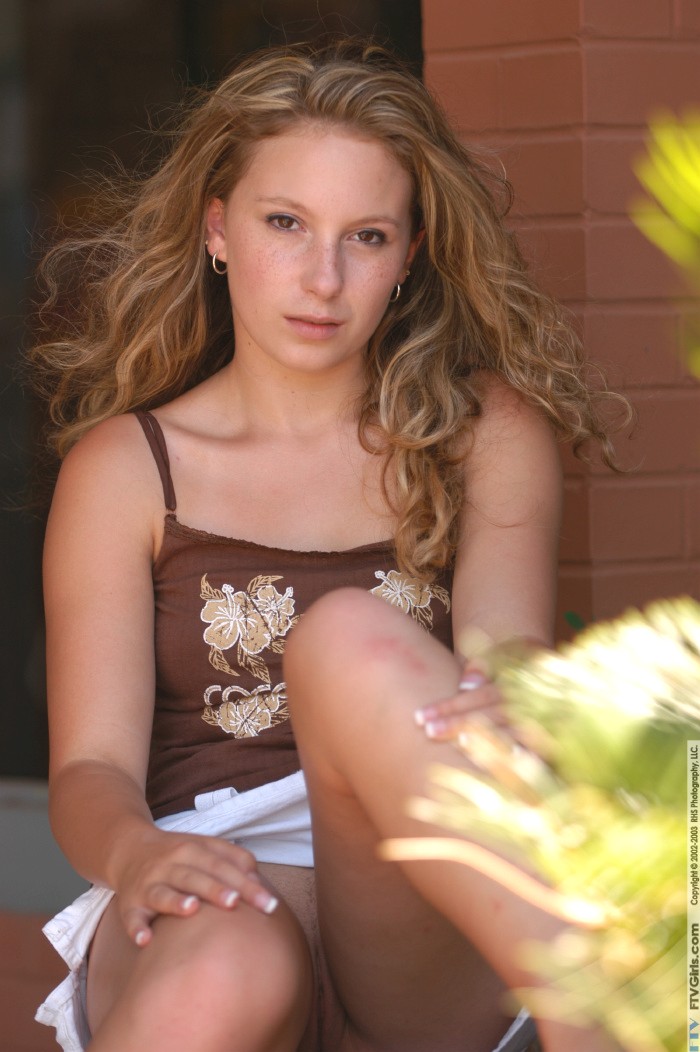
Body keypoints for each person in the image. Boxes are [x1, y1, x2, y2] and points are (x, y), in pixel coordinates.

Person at [30, 39, 623, 1052]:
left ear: (410, 254)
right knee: (226, 963)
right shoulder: (126, 469)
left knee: (350, 637)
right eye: (285, 223)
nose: (323, 277)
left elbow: (505, 665)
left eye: (367, 236)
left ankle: (603, 1008)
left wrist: (523, 699)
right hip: (208, 870)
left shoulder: (481, 435)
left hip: (419, 892)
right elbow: (90, 765)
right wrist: (135, 856)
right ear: (217, 228)